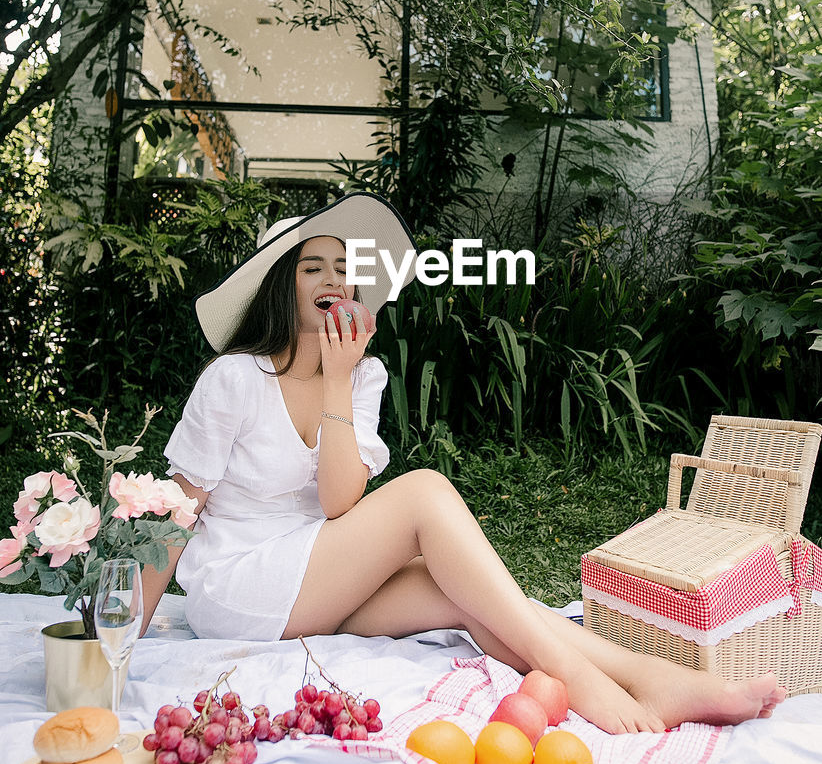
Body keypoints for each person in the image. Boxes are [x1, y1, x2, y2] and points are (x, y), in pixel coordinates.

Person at [142, 192, 786, 735]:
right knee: (422, 493)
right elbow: (179, 513)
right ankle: (580, 678)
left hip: (317, 571)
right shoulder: (235, 379)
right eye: (314, 268)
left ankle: (662, 681)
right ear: (283, 286)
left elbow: (337, 505)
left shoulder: (362, 376)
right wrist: (122, 635)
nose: (335, 280)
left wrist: (339, 380)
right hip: (242, 586)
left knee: (465, 594)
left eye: (344, 268)